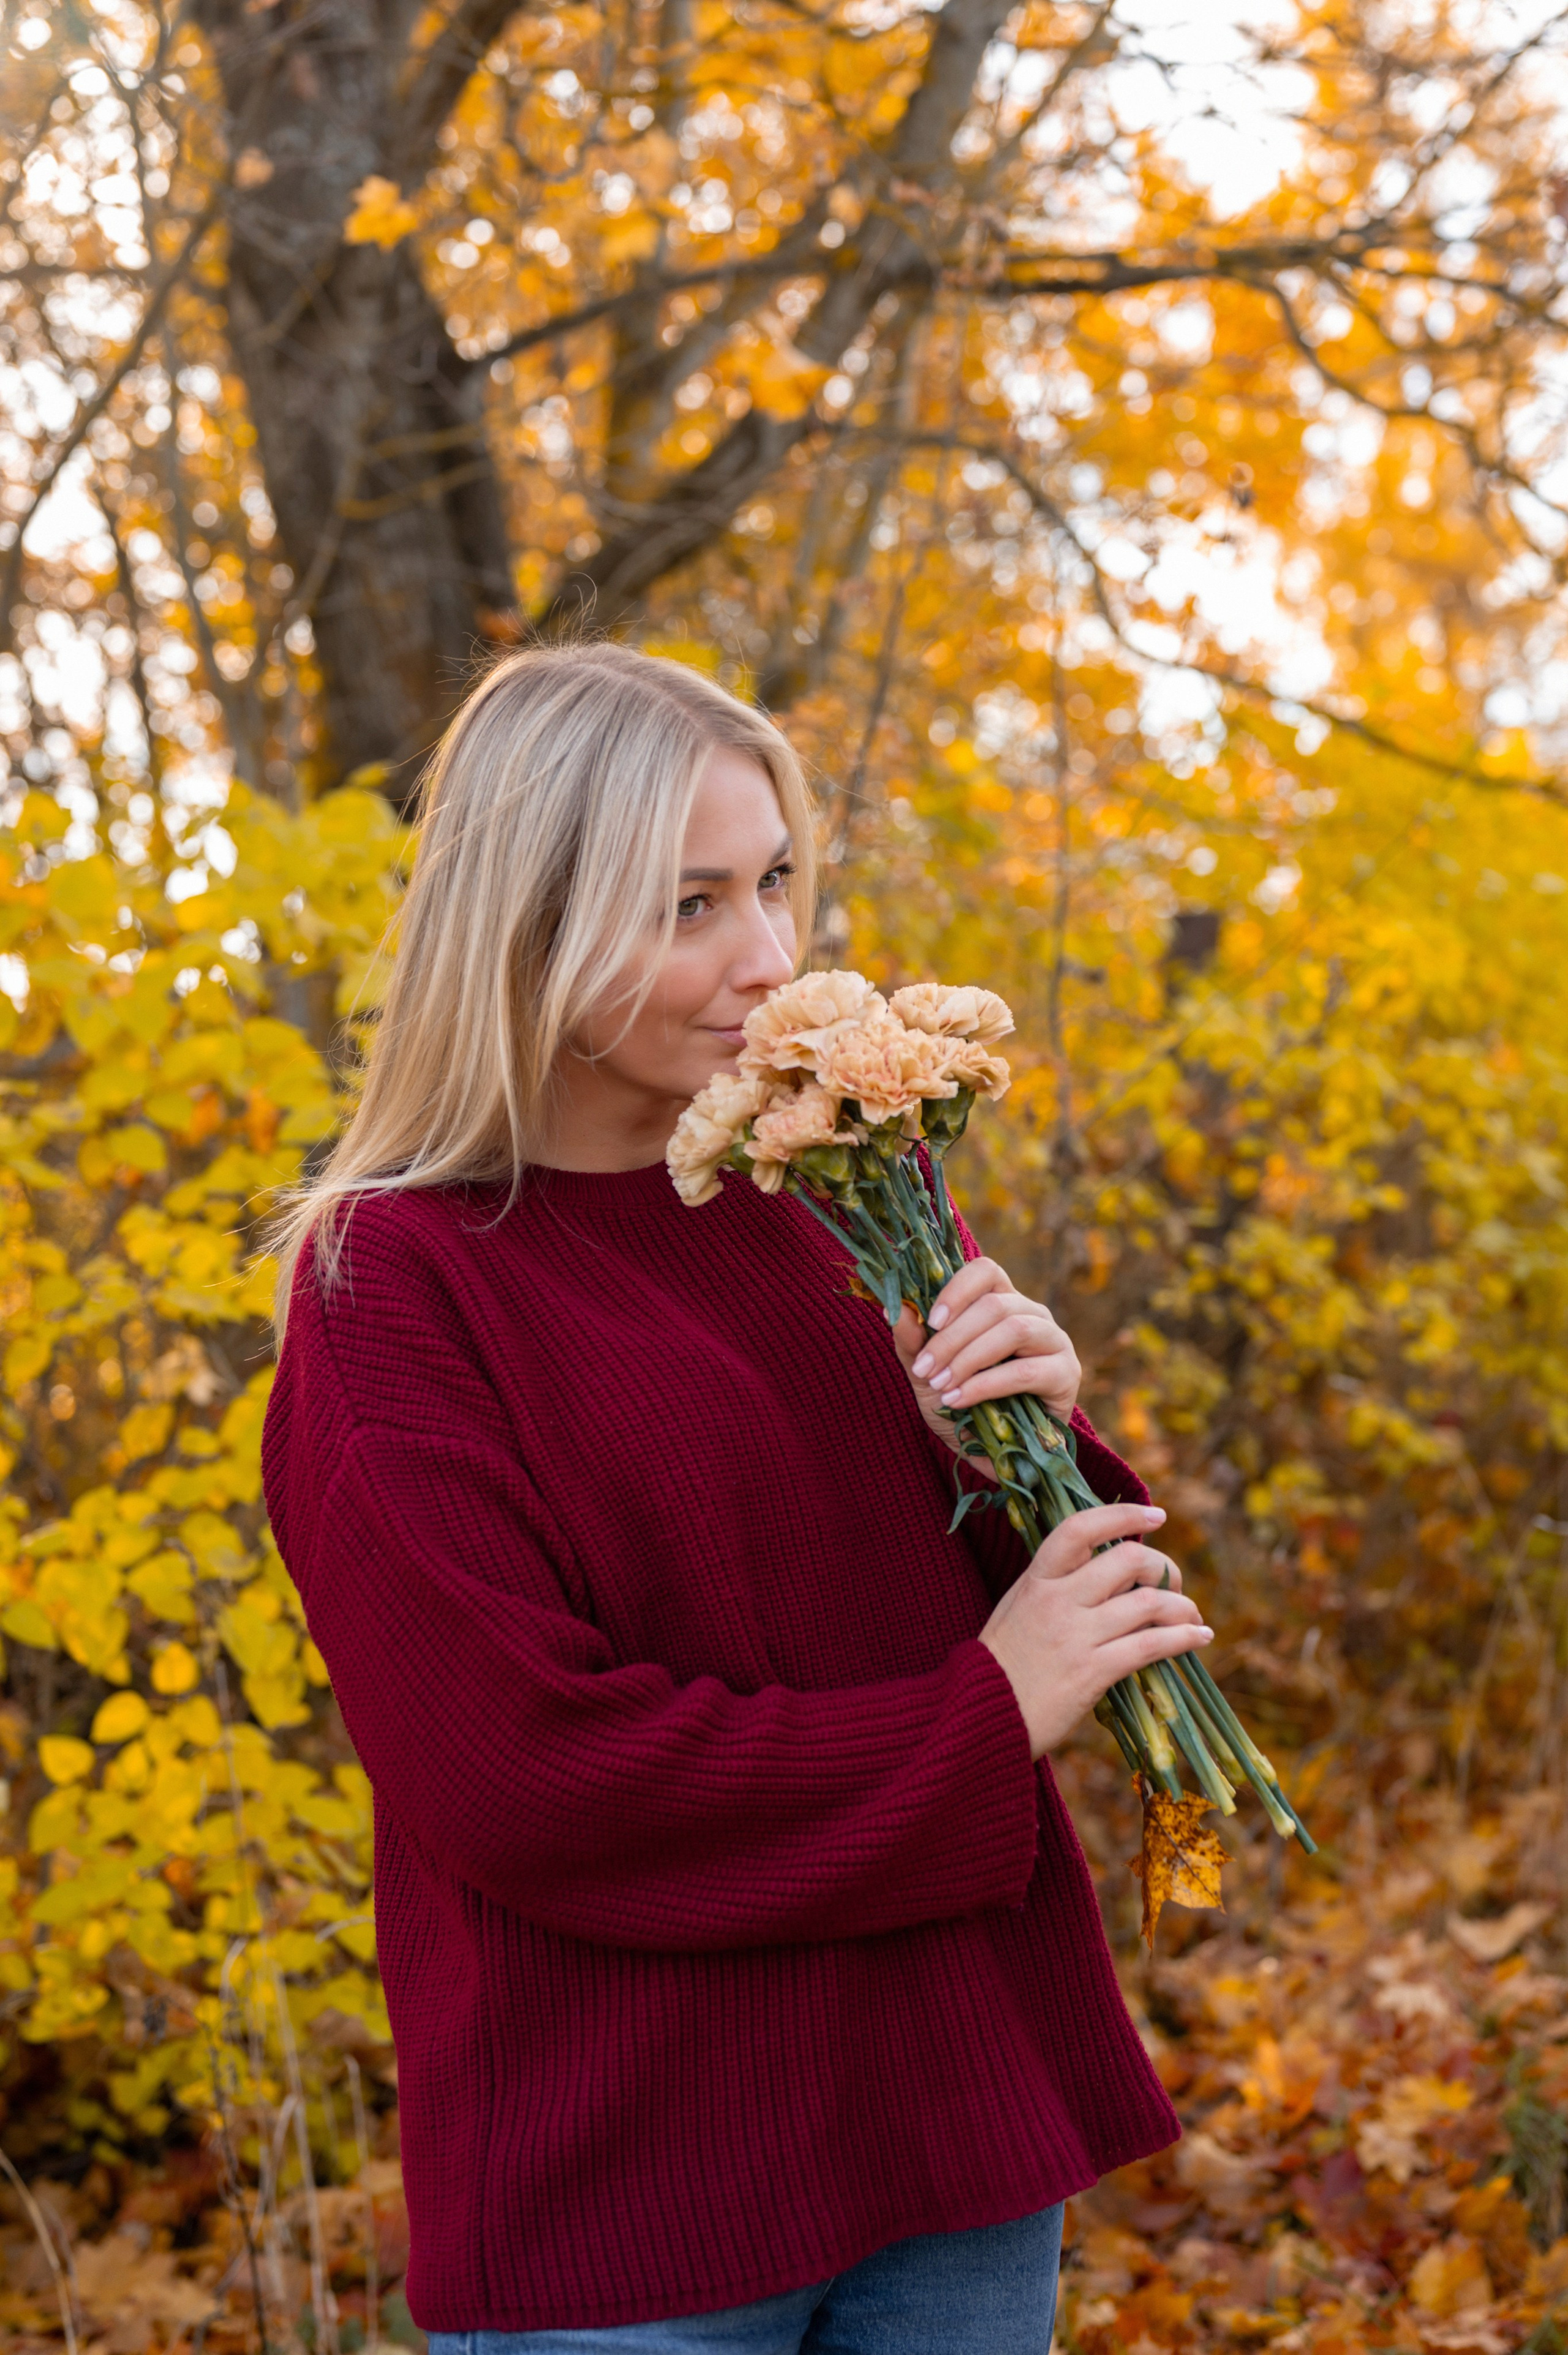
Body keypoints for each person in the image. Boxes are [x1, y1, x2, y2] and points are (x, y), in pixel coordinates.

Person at [262, 642, 1209, 2355]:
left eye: (774, 881)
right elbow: (528, 1776)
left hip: (952, 2123)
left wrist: (1018, 1432)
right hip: (637, 2202)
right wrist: (984, 1715)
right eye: (688, 905)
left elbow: (1026, 1607)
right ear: (529, 925)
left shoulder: (843, 1170)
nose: (771, 959)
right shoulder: (393, 1287)